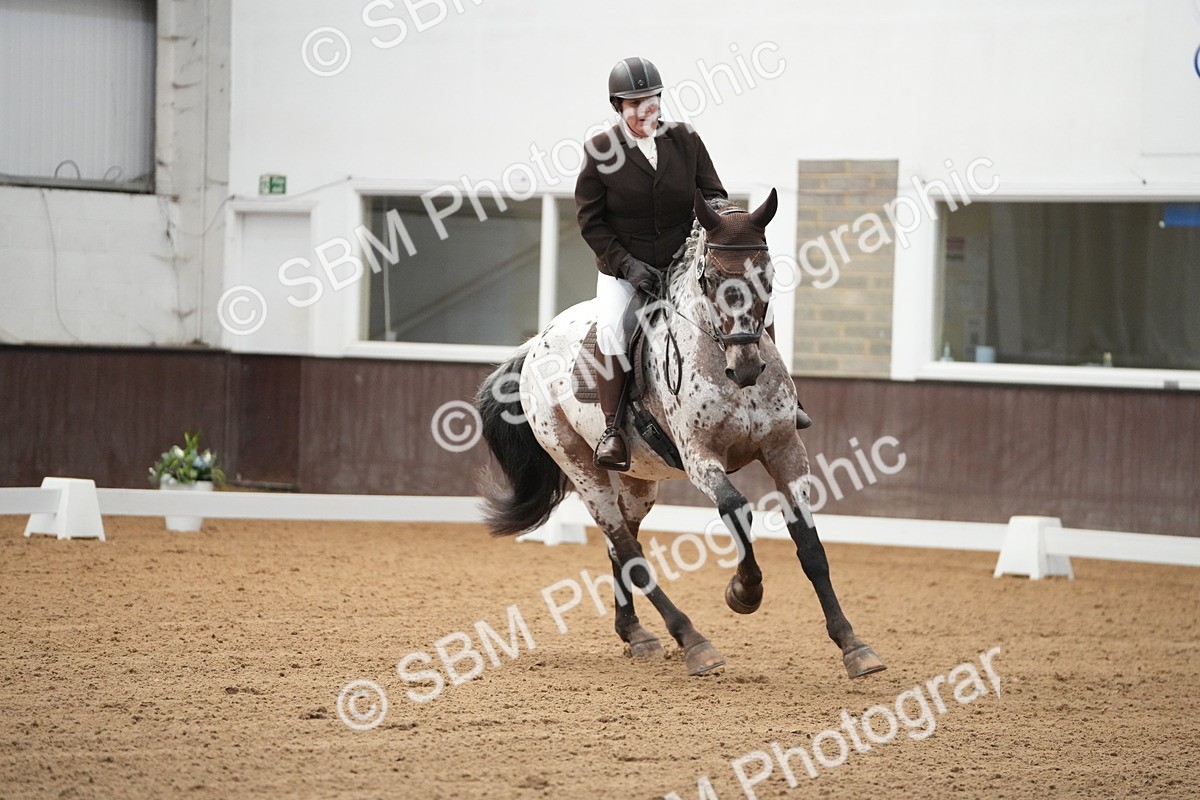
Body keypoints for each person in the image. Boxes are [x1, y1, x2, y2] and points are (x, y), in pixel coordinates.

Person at [575, 56, 811, 472]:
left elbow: (714, 194)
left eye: (650, 100)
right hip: (628, 270)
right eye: (633, 103)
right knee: (613, 328)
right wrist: (626, 265)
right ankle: (612, 430)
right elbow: (590, 222)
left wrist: (734, 228)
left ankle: (783, 399)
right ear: (617, 107)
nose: (644, 109)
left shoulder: (685, 140)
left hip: (686, 261)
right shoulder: (600, 153)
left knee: (763, 305)